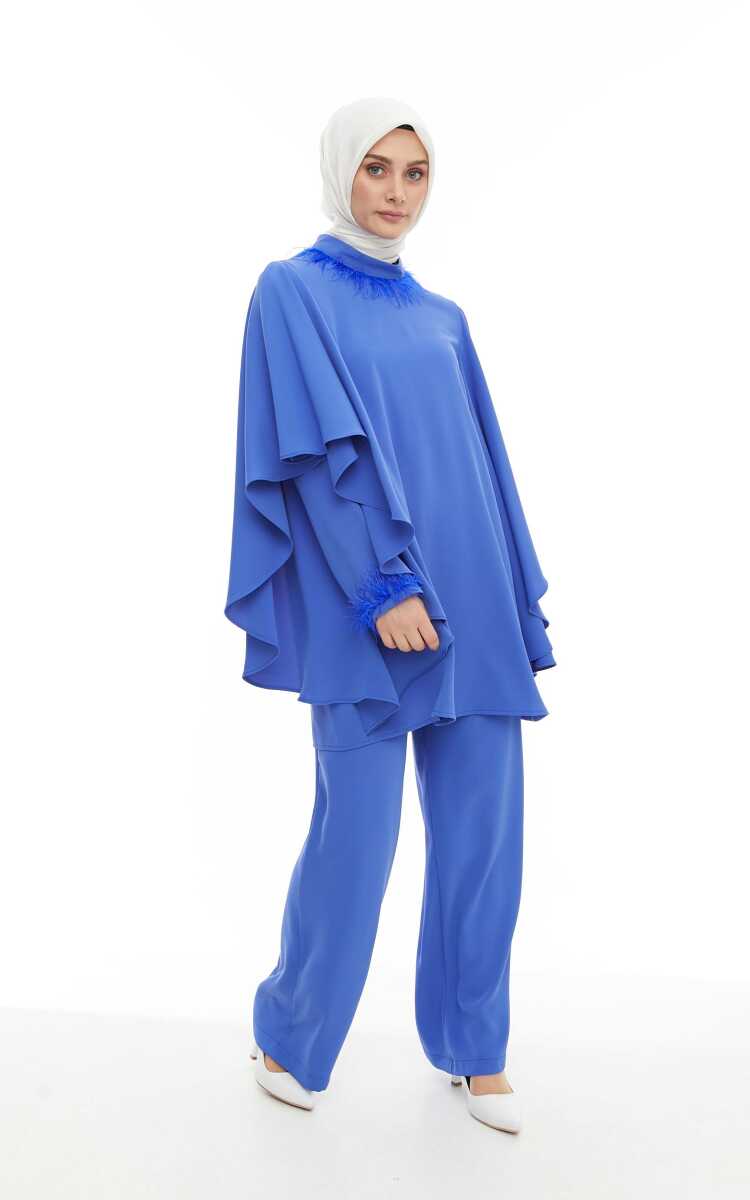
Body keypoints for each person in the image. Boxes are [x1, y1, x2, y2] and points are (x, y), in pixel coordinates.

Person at [224, 97, 556, 1132]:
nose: (396, 192)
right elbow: (309, 457)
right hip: (369, 607)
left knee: (482, 838)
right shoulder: (292, 291)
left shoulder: (443, 315)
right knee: (356, 837)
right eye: (377, 168)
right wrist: (385, 586)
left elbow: (481, 462)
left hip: (475, 597)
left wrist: (504, 591)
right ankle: (291, 1032)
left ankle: (475, 1047)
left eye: (415, 173)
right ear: (342, 171)